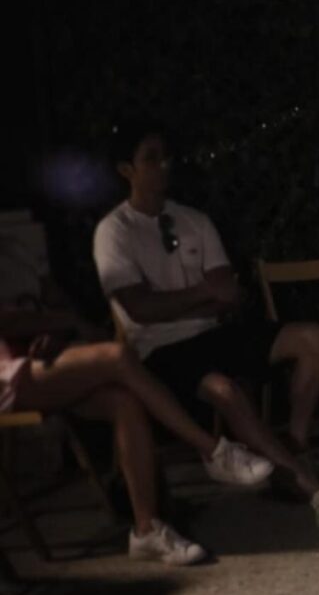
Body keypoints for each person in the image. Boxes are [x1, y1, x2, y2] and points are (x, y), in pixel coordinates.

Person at [92, 122, 319, 541]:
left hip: (211, 333)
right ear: (127, 169)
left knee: (313, 338)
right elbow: (139, 309)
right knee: (223, 390)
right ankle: (316, 490)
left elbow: (230, 294)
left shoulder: (192, 220)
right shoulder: (114, 231)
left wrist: (189, 299)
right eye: (151, 158)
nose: (164, 165)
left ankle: (294, 446)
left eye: (165, 156)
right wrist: (201, 292)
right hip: (161, 349)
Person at [0, 230, 275, 565]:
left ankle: (145, 530)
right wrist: (66, 321)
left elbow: (52, 303)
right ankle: (212, 449)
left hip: (39, 361)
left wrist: (54, 330)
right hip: (7, 372)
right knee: (117, 356)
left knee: (124, 402)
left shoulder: (16, 247)